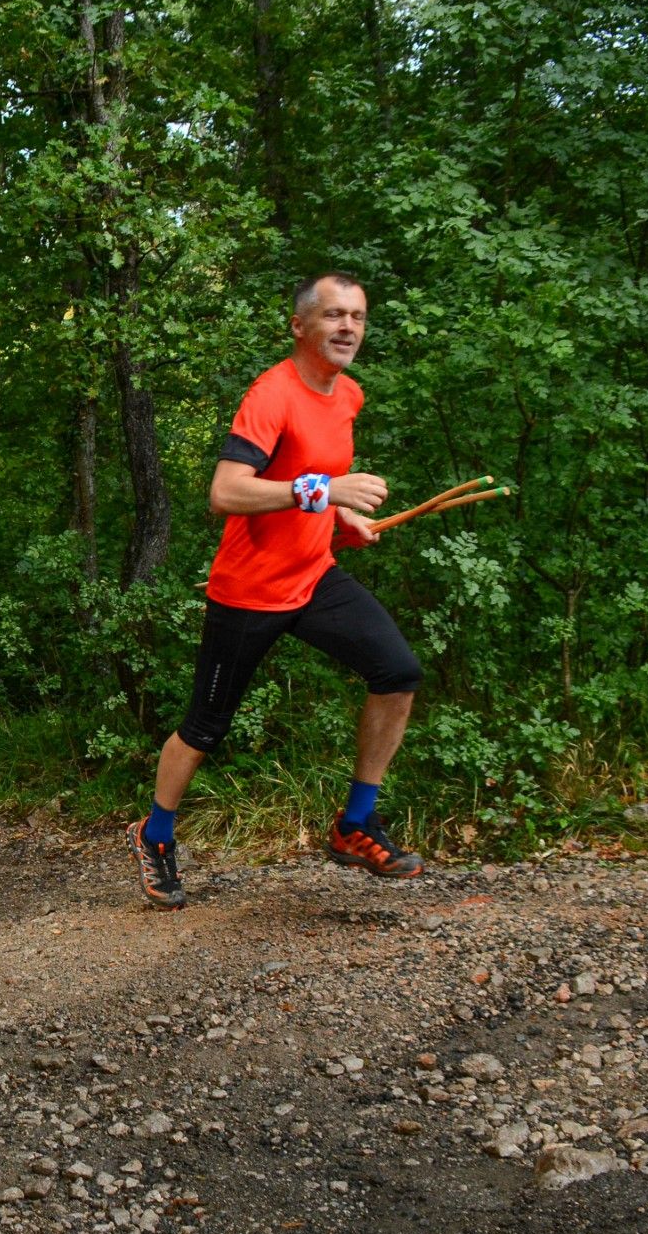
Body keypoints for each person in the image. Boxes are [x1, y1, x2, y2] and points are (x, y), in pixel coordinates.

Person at [127, 272, 425, 912]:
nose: (348, 327)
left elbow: (310, 482)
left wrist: (341, 517)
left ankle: (354, 824)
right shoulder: (272, 395)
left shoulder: (348, 395)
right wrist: (327, 491)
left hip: (313, 575)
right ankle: (154, 834)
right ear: (299, 326)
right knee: (205, 728)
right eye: (334, 315)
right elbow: (226, 491)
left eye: (358, 317)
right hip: (250, 591)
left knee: (398, 672)